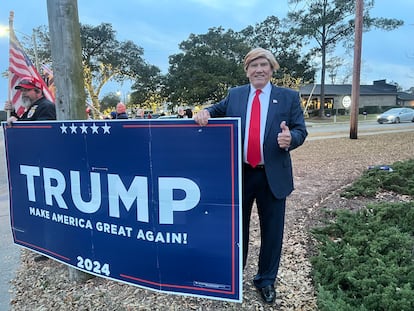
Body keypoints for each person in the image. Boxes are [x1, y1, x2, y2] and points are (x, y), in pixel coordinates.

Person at [193, 47, 308, 304]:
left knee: (272, 232)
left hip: (273, 176)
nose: (258, 70)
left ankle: (266, 280)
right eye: (253, 65)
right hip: (240, 175)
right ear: (246, 70)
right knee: (236, 229)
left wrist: (291, 138)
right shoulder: (235, 95)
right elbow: (216, 109)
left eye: (263, 65)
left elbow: (301, 130)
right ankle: (234, 276)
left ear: (271, 69)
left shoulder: (288, 97)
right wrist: (205, 112)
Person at [6, 77, 56, 262]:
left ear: (38, 91)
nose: (23, 93)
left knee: (46, 208)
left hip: (46, 166)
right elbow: (27, 125)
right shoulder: (32, 108)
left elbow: (41, 132)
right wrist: (13, 116)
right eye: (22, 91)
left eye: (27, 90)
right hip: (35, 166)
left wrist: (18, 123)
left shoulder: (46, 107)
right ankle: (45, 245)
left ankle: (51, 247)